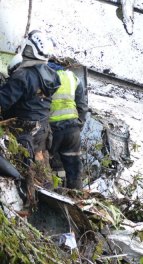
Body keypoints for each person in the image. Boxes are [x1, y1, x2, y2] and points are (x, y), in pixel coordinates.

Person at [0, 30, 60, 197]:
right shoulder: (53, 75)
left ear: (29, 49)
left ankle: (26, 205)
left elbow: (3, 101)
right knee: (42, 171)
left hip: (23, 130)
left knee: (22, 170)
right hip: (42, 130)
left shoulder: (23, 75)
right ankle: (47, 203)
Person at [47, 61, 87, 189]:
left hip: (52, 130)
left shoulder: (44, 76)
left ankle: (50, 196)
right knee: (74, 170)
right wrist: (78, 125)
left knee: (48, 165)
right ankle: (78, 199)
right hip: (73, 131)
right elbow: (82, 106)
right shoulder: (72, 77)